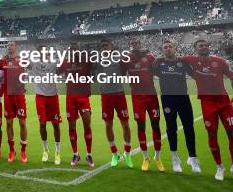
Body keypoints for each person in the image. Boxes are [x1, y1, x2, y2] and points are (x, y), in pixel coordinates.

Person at [183, 40, 233, 182]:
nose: (204, 47)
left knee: (232, 133)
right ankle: (220, 167)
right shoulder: (191, 59)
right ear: (195, 49)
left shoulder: (220, 61)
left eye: (205, 45)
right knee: (212, 134)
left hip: (224, 103)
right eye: (200, 46)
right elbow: (174, 58)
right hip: (207, 104)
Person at [153, 40, 200, 173]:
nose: (168, 49)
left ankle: (193, 157)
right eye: (165, 47)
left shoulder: (183, 63)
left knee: (189, 128)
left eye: (170, 47)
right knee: (171, 128)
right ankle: (175, 158)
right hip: (167, 99)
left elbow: (196, 75)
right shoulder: (159, 64)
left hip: (183, 99)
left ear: (175, 49)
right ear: (163, 51)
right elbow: (149, 72)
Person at [121, 40, 163, 172]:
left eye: (137, 43)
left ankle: (157, 157)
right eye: (132, 44)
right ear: (130, 46)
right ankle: (145, 158)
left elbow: (158, 72)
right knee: (141, 126)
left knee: (155, 125)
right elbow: (121, 72)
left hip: (151, 97)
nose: (134, 45)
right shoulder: (126, 59)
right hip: (137, 98)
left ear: (140, 45)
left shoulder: (150, 57)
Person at [94, 39, 132, 168]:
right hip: (106, 96)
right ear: (100, 50)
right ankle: (114, 153)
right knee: (108, 124)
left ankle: (127, 153)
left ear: (111, 48)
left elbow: (126, 67)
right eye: (102, 46)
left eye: (106, 46)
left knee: (125, 125)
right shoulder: (97, 62)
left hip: (119, 94)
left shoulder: (118, 59)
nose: (105, 48)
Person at [57, 42, 93, 167]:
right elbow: (56, 71)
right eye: (71, 50)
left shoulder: (85, 61)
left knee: (87, 124)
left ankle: (89, 154)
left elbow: (97, 65)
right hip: (70, 99)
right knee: (72, 126)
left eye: (75, 49)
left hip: (83, 98)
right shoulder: (65, 62)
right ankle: (75, 154)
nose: (73, 51)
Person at [29, 46, 61, 164]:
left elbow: (63, 68)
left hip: (53, 97)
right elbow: (20, 62)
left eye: (45, 52)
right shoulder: (34, 63)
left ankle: (57, 152)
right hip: (40, 97)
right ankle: (45, 150)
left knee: (56, 125)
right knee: (42, 124)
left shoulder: (54, 63)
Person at [0, 41, 28, 163]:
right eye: (8, 45)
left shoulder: (22, 59)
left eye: (12, 45)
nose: (9, 47)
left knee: (22, 122)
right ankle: (12, 150)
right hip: (8, 95)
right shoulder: (3, 61)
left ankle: (23, 151)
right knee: (9, 123)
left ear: (16, 47)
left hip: (19, 95)